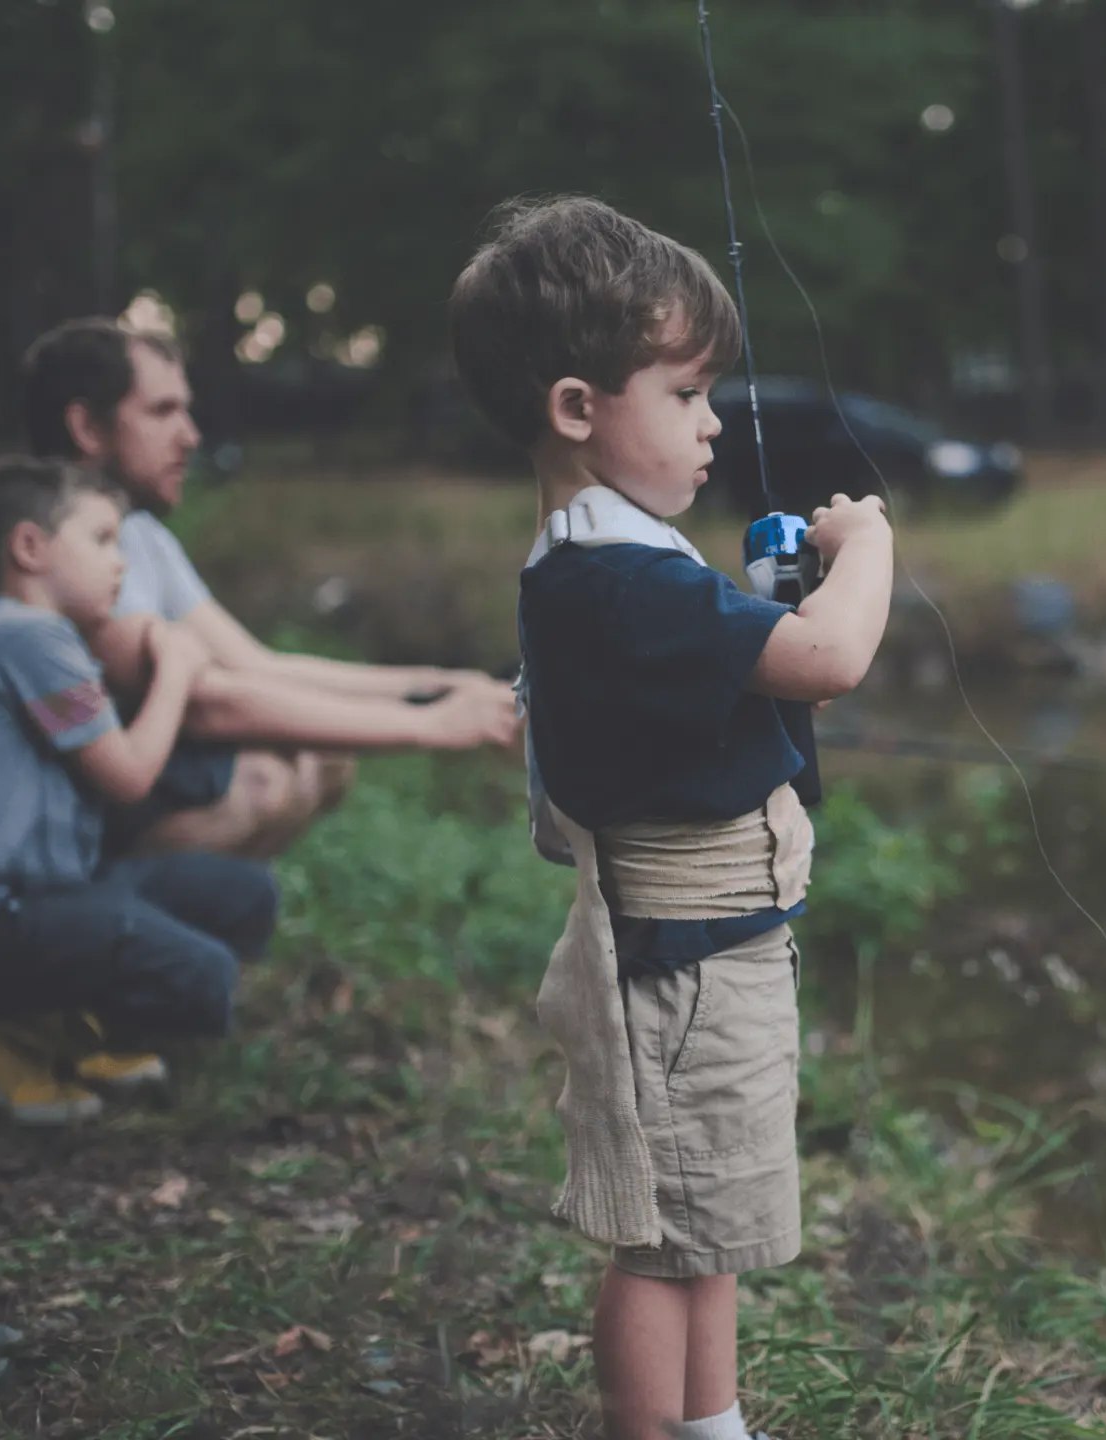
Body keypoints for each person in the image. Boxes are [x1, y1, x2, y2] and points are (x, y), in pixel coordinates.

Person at [449, 195, 894, 1440]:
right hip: (686, 971)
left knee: (709, 1230)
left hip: (719, 956)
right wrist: (868, 547)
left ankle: (715, 1425)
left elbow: (725, 679)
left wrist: (759, 593)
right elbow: (826, 658)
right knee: (664, 1239)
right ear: (579, 410)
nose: (710, 426)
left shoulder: (619, 558)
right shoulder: (613, 577)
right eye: (686, 395)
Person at [0, 316, 522, 904]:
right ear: (85, 425)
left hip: (17, 812)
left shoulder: (128, 532)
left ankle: (151, 957)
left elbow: (256, 665)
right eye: (162, 412)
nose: (191, 436)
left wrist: (439, 683)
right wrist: (435, 727)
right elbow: (210, 704)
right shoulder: (49, 553)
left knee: (318, 758)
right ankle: (68, 987)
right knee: (262, 777)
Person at [0, 455, 279, 1125]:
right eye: (103, 540)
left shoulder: (37, 639)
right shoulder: (27, 638)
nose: (122, 563)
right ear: (29, 548)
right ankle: (8, 1029)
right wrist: (179, 669)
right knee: (205, 977)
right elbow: (130, 776)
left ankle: (56, 1020)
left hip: (42, 899)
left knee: (247, 895)